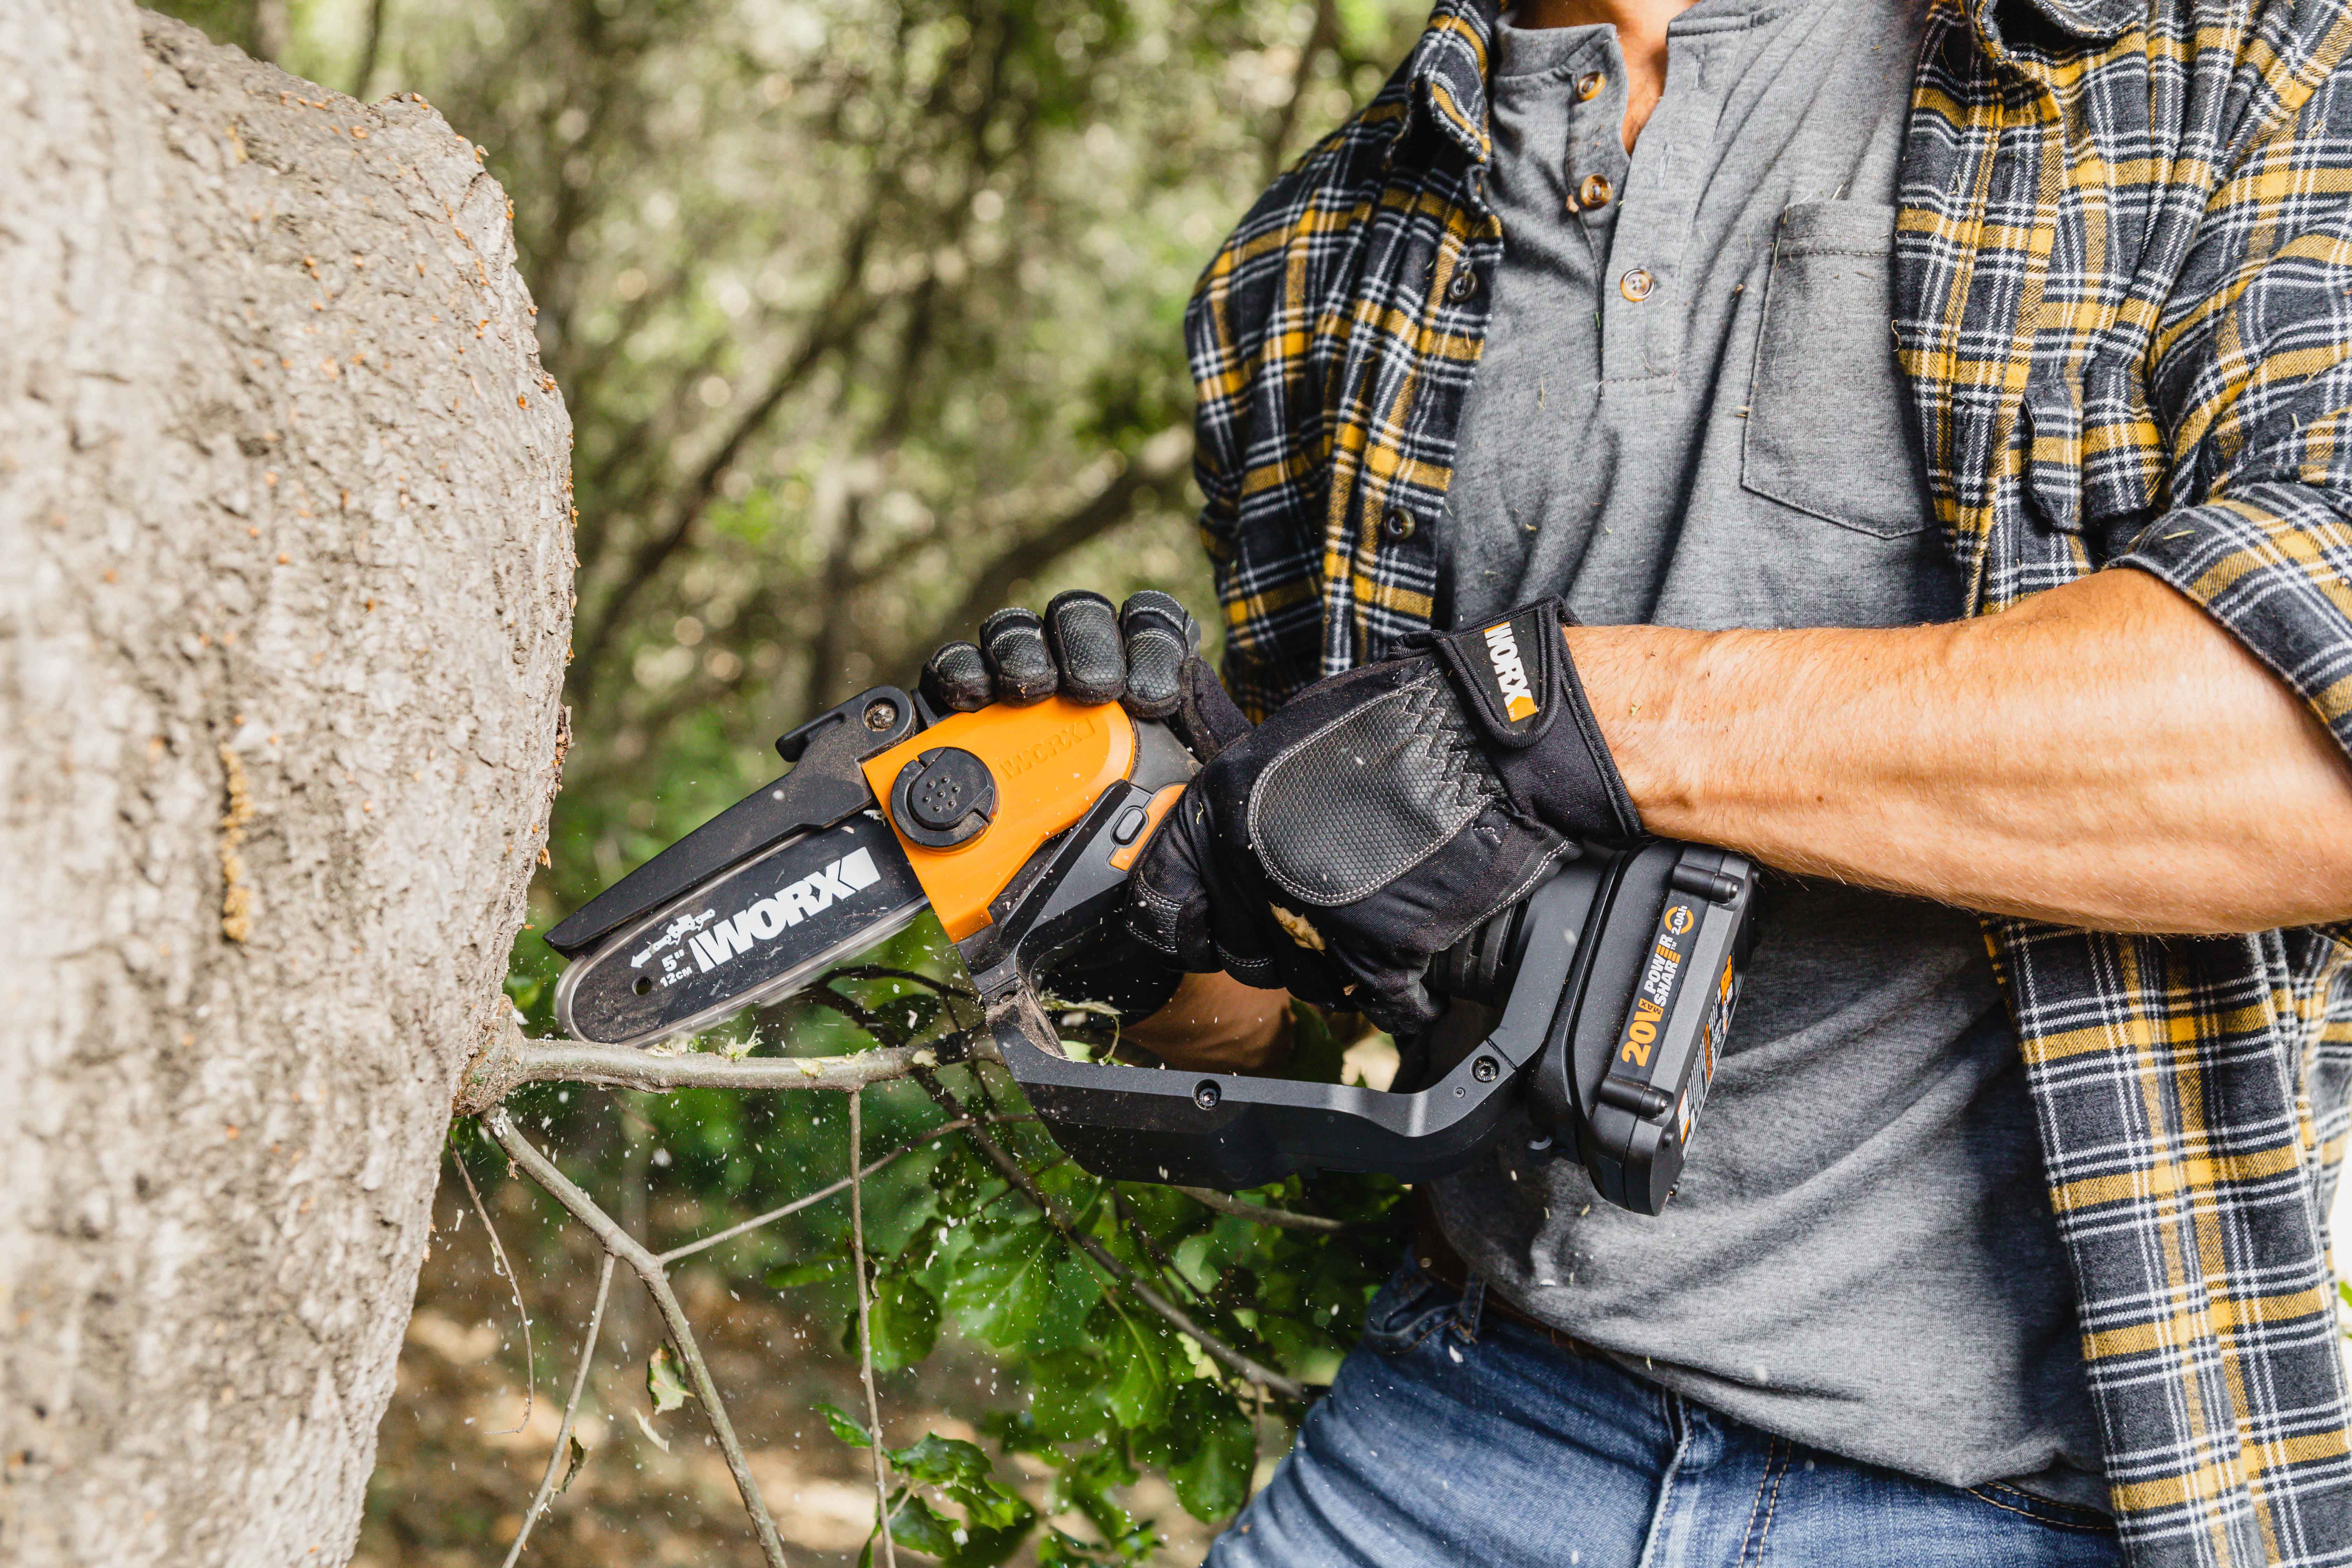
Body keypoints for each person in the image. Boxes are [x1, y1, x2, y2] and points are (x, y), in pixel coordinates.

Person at [923, 0, 2352, 1562]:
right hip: (1466, 1410)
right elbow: (1288, 1030)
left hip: (2036, 1498)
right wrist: (1129, 886)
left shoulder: (2210, 59)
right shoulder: (1308, 261)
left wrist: (1566, 717)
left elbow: (2310, 764)